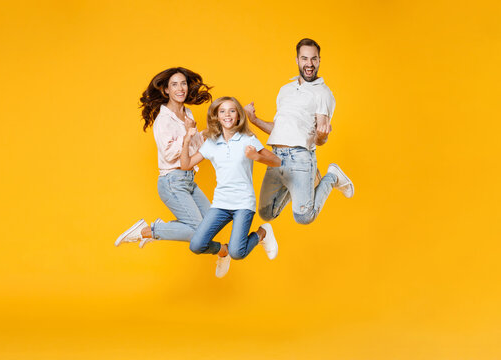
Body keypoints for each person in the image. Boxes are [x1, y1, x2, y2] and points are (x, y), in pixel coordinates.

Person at [244, 38, 354, 225]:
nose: (309, 64)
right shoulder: (285, 90)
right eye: (304, 59)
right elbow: (279, 130)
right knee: (266, 213)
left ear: (319, 60)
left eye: (313, 59)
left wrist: (322, 135)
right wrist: (254, 120)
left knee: (304, 217)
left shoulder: (323, 93)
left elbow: (320, 139)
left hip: (301, 158)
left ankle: (332, 176)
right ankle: (301, 183)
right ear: (297, 60)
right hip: (276, 157)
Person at [180, 97, 281, 278]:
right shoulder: (211, 143)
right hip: (221, 204)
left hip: (243, 203)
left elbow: (276, 161)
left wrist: (256, 157)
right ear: (217, 117)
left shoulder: (247, 139)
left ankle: (262, 233)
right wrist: (187, 138)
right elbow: (186, 165)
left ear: (238, 116)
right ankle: (223, 251)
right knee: (196, 245)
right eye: (222, 111)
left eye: (232, 111)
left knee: (238, 252)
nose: (227, 115)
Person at [115, 67, 212, 248]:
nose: (180, 88)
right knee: (199, 229)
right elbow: (169, 153)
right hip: (172, 181)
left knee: (210, 224)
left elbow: (192, 145)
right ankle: (147, 231)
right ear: (166, 90)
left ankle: (159, 228)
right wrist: (188, 134)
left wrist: (207, 133)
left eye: (183, 83)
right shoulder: (163, 120)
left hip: (188, 179)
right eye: (174, 84)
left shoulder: (187, 113)